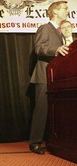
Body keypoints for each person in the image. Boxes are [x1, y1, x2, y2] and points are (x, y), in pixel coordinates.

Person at [29, 1, 69, 154]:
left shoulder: (60, 31)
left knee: (56, 111)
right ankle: (35, 143)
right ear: (55, 12)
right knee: (42, 110)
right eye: (64, 9)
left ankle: (55, 141)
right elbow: (39, 48)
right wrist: (56, 49)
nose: (67, 11)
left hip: (56, 77)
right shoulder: (45, 28)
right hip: (44, 76)